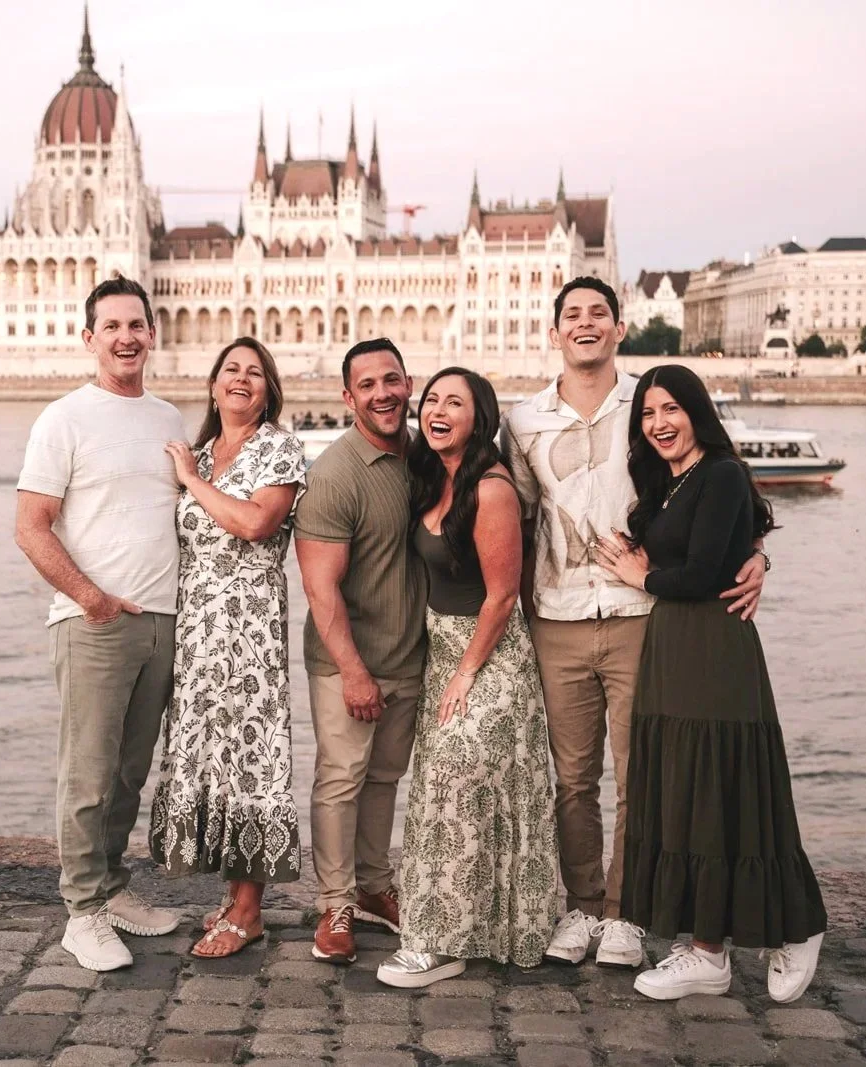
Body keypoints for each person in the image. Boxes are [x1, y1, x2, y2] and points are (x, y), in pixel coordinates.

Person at [502, 277, 768, 971]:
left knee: (641, 774)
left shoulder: (651, 406)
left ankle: (624, 913)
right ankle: (581, 904)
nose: (585, 324)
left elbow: (716, 481)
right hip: (556, 617)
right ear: (554, 332)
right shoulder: (524, 419)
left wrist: (755, 554)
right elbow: (515, 518)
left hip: (641, 615)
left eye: (598, 313)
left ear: (620, 327)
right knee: (571, 778)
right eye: (572, 315)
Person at [595, 364, 827, 1002]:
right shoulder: (669, 481)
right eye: (647, 414)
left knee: (729, 789)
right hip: (673, 645)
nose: (659, 423)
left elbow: (698, 575)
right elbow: (732, 540)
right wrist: (752, 552)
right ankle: (706, 948)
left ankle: (797, 927)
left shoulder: (720, 473)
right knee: (686, 790)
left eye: (671, 409)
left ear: (697, 411)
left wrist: (639, 575)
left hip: (714, 645)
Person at [14, 277, 185, 972]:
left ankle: (112, 888)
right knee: (86, 774)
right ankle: (81, 911)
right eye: (111, 326)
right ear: (89, 338)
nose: (125, 337)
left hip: (163, 621)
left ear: (152, 333)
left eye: (136, 325)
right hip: (95, 623)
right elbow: (30, 527)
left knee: (127, 773)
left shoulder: (170, 418)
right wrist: (92, 598)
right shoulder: (63, 419)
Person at [375, 368, 560, 988]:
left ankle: (444, 941)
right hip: (442, 648)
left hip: (490, 652)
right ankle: (460, 927)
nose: (437, 409)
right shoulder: (430, 478)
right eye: (431, 400)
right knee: (439, 793)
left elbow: (502, 595)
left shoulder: (492, 487)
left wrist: (465, 674)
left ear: (480, 417)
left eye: (454, 402)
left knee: (459, 767)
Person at [147, 338, 306, 957]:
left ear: (269, 390)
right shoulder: (203, 449)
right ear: (214, 385)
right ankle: (231, 896)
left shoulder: (278, 448)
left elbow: (254, 523)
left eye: (256, 373)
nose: (242, 380)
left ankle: (249, 912)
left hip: (249, 634)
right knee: (209, 756)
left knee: (249, 759)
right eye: (232, 370)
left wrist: (188, 479)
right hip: (196, 634)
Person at [295, 337, 427, 964]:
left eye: (391, 380)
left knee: (384, 780)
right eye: (367, 385)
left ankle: (375, 887)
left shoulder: (426, 460)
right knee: (341, 780)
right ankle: (335, 903)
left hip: (409, 656)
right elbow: (320, 590)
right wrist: (353, 672)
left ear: (409, 383)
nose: (383, 394)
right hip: (347, 661)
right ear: (347, 398)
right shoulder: (334, 475)